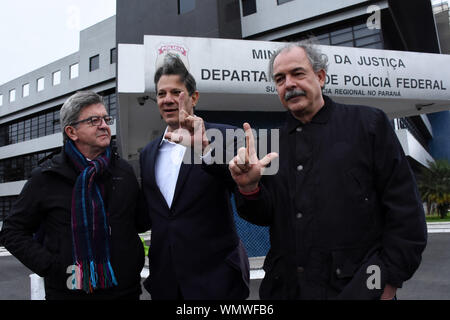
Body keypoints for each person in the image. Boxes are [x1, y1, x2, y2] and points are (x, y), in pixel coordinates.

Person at [228, 40, 427, 300]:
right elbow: (268, 214)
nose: (289, 84)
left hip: (357, 290)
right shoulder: (272, 144)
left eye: (298, 73)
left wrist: (386, 283)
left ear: (320, 77)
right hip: (287, 290)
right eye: (280, 79)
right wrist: (248, 187)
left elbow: (406, 215)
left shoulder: (368, 125)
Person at [0, 91, 148, 300]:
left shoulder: (123, 171)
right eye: (94, 120)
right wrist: (52, 267)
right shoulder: (46, 176)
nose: (104, 125)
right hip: (68, 293)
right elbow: (12, 231)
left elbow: (141, 221)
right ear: (72, 132)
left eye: (106, 118)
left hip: (124, 290)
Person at [139, 54, 250, 300]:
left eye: (176, 92)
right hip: (166, 282)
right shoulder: (147, 154)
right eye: (160, 93)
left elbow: (241, 185)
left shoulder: (225, 136)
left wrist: (206, 151)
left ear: (194, 97)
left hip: (216, 279)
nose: (167, 100)